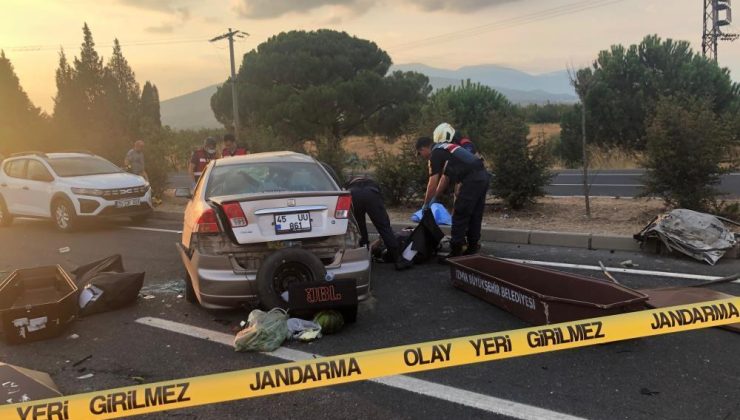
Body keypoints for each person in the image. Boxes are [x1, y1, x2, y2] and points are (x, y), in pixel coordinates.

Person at [416, 131, 490, 262]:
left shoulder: (436, 153)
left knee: (460, 214)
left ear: (424, 148)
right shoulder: (449, 150)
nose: (422, 156)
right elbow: (445, 179)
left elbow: (432, 183)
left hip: (472, 179)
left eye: (420, 153)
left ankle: (455, 253)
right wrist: (434, 199)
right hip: (483, 176)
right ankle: (472, 248)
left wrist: (426, 204)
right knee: (474, 214)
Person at [345, 175, 411, 271]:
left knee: (359, 228)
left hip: (353, 194)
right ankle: (398, 260)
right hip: (371, 193)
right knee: (384, 227)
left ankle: (365, 259)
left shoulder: (348, 184)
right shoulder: (372, 182)